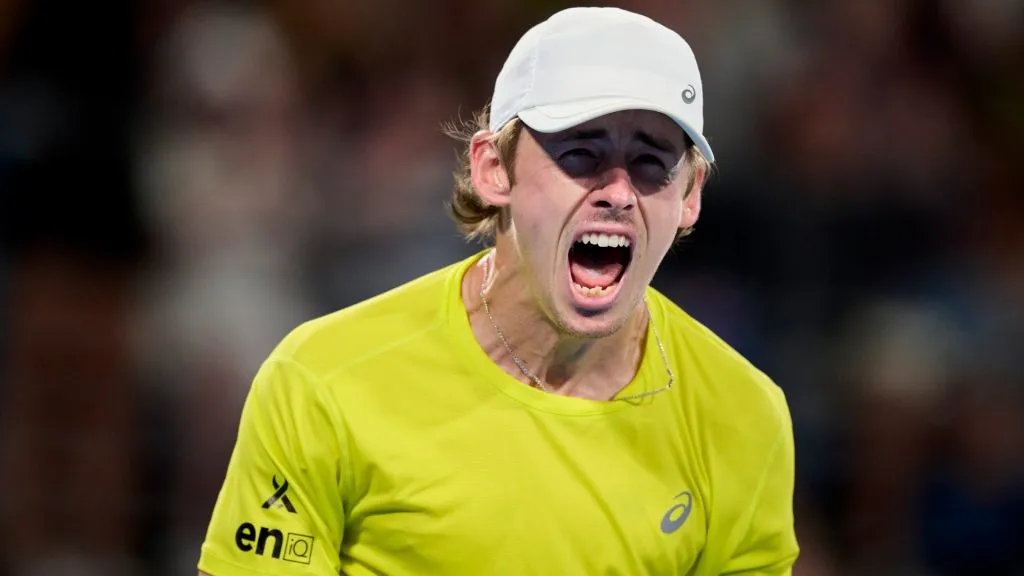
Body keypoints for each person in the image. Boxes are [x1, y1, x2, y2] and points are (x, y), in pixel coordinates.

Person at [197, 7, 799, 575]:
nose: (618, 191)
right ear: (493, 169)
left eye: (650, 162)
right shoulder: (319, 382)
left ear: (689, 195)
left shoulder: (744, 417)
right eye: (581, 153)